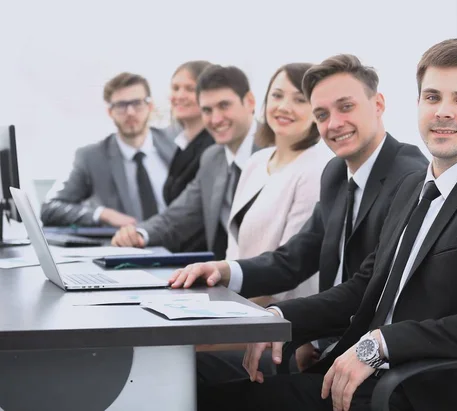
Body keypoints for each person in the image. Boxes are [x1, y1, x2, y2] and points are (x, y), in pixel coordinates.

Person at [193, 38, 457, 411]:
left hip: (420, 390)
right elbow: (365, 287)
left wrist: (381, 343)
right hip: (363, 377)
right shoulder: (414, 186)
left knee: (205, 400)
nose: (443, 111)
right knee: (192, 385)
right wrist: (280, 319)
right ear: (417, 105)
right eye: (432, 97)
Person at [170, 54, 428, 380]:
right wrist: (224, 271)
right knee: (184, 371)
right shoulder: (336, 173)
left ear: (378, 104)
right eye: (322, 114)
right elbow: (296, 256)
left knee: (193, 380)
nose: (333, 123)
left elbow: (367, 288)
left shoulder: (409, 175)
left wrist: (280, 317)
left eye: (345, 107)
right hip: (323, 348)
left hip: (371, 366)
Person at [111, 65, 261, 256]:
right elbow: (180, 215)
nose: (215, 119)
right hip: (227, 277)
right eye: (206, 110)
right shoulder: (213, 158)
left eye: (224, 106)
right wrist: (139, 234)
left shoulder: (277, 148)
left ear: (249, 102)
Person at [226, 63, 333, 306]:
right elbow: (234, 250)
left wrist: (233, 314)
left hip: (283, 318)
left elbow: (290, 267)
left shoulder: (316, 168)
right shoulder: (256, 161)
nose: (284, 107)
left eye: (299, 99)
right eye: (277, 95)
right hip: (238, 305)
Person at [41, 72, 176, 227]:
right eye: (121, 106)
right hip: (126, 247)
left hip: (178, 244)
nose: (130, 112)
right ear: (110, 112)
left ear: (150, 106)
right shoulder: (91, 157)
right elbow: (49, 208)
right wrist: (102, 214)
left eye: (137, 103)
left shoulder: (175, 144)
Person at [163, 60, 215, 206]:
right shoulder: (182, 144)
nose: (180, 96)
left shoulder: (214, 147)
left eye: (190, 89)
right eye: (175, 88)